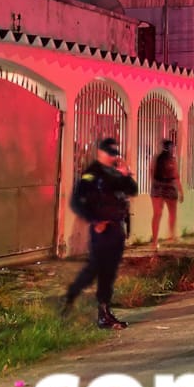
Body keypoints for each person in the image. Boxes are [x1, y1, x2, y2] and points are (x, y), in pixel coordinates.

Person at [64, 137, 138, 329]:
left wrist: (126, 175)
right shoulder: (92, 174)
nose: (112, 157)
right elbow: (76, 201)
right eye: (109, 153)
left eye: (115, 154)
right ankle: (74, 297)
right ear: (100, 153)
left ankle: (103, 312)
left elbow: (133, 190)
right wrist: (94, 221)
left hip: (117, 229)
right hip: (102, 230)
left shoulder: (116, 173)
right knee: (97, 270)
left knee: (108, 271)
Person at [149, 138, 182, 246]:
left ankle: (155, 241)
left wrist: (154, 183)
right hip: (169, 186)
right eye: (173, 148)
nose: (174, 150)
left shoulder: (156, 158)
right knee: (172, 213)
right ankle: (171, 236)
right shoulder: (172, 160)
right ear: (170, 148)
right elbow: (176, 176)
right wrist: (181, 191)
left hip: (157, 186)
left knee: (157, 214)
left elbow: (151, 172)